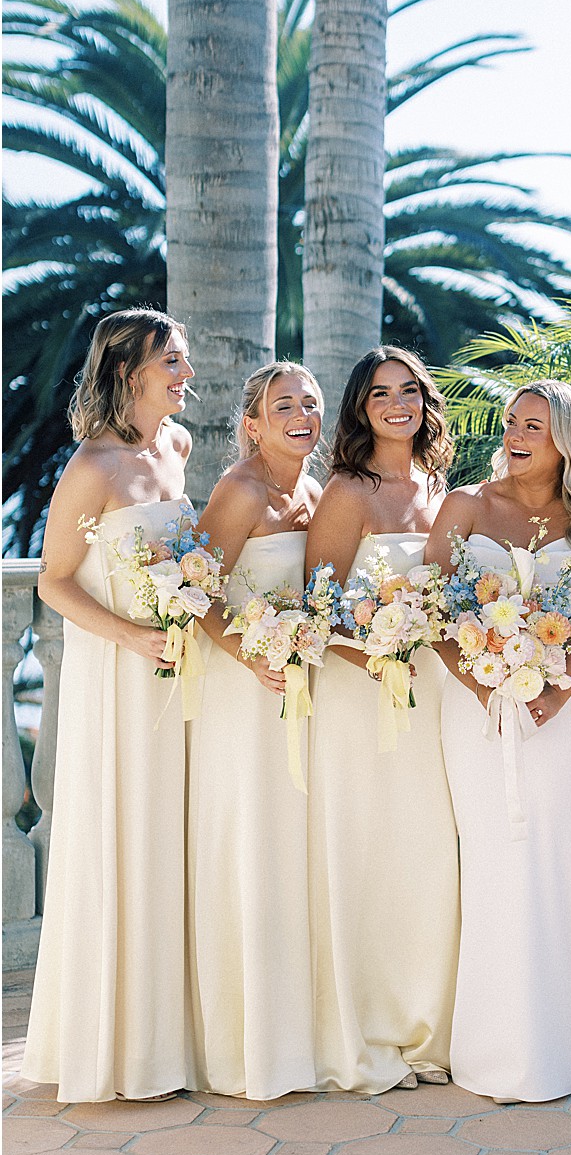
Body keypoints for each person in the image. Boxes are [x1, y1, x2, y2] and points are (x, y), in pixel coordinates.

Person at [426, 380, 571, 1103]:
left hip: (567, 706)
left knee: (562, 852)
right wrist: (483, 684)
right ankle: (491, 1049)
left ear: (566, 441)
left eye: (533, 426)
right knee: (492, 856)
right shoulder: (467, 505)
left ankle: (568, 1044)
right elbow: (432, 606)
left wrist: (558, 691)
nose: (514, 434)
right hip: (476, 707)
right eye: (511, 422)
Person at [23, 309, 195, 1103]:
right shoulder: (93, 467)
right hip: (116, 674)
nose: (184, 374)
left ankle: (169, 1038)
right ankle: (112, 1046)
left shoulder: (177, 449)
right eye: (172, 362)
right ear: (129, 372)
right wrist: (130, 634)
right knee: (117, 838)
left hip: (176, 677)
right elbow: (54, 581)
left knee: (168, 843)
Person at [304, 346, 459, 1093]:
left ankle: (427, 1021)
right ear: (360, 410)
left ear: (426, 401)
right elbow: (319, 608)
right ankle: (368, 1023)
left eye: (407, 391)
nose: (396, 405)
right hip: (361, 693)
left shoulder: (437, 486)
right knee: (370, 854)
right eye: (378, 395)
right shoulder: (348, 492)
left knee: (428, 854)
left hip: (431, 692)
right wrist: (379, 657)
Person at [186, 362, 323, 1100]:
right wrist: (252, 655)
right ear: (252, 423)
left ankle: (295, 1027)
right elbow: (193, 588)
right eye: (283, 406)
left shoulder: (314, 492)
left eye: (309, 403)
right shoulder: (239, 490)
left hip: (299, 690)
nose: (300, 414)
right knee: (252, 845)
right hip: (247, 693)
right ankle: (245, 1044)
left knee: (292, 850)